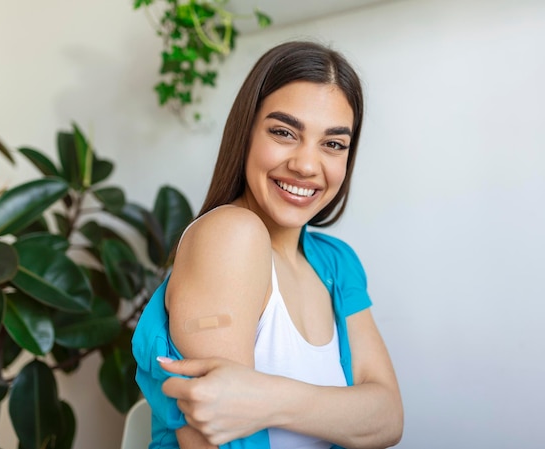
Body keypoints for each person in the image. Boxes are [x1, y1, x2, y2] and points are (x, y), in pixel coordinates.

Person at [132, 40, 404, 449]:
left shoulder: (336, 264)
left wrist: (270, 399)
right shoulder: (231, 236)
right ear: (246, 133)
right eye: (283, 132)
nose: (307, 165)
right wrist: (340, 410)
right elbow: (214, 429)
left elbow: (387, 419)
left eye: (333, 144)